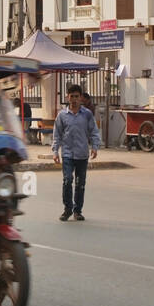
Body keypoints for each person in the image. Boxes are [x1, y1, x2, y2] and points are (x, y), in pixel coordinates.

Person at [53, 83, 100, 221]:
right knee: (67, 180)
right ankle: (67, 209)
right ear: (68, 97)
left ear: (81, 98)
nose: (74, 99)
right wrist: (55, 151)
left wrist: (95, 146)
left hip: (82, 154)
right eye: (72, 96)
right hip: (67, 154)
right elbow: (57, 134)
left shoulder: (87, 114)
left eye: (77, 96)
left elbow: (94, 131)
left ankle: (77, 211)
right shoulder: (62, 115)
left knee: (80, 183)